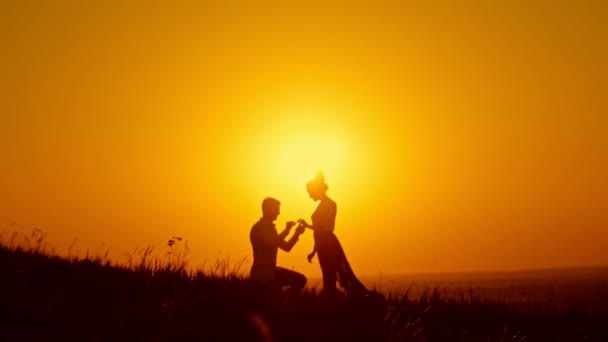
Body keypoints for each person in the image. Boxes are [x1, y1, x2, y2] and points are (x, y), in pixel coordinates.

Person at [298, 172, 369, 297]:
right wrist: (313, 247)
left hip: (327, 244)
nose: (309, 196)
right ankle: (335, 300)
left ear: (317, 190)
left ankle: (334, 301)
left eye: (310, 192)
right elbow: (320, 229)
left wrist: (315, 248)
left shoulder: (328, 205)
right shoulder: (326, 204)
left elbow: (326, 229)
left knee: (330, 274)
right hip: (324, 243)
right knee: (328, 273)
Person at [250, 197, 307, 293]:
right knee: (299, 281)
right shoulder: (259, 228)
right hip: (262, 274)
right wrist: (287, 230)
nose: (278, 213)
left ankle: (285, 301)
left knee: (301, 280)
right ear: (268, 210)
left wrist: (296, 233)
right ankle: (285, 302)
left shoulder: (272, 229)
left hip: (271, 271)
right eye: (276, 210)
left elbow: (287, 247)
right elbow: (272, 243)